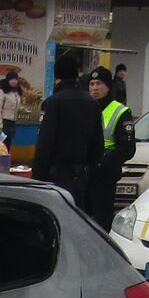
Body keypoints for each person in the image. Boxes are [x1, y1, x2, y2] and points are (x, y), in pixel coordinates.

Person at [30, 54, 100, 215]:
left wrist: (37, 178)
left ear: (57, 77)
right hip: (82, 175)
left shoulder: (54, 102)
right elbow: (97, 144)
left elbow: (45, 143)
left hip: (56, 175)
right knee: (77, 218)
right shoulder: (93, 104)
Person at [85, 65, 136, 231]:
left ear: (108, 86)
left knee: (101, 223)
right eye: (91, 84)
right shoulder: (84, 107)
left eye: (98, 83)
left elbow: (128, 147)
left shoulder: (120, 111)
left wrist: (103, 161)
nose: (94, 88)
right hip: (84, 174)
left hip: (104, 175)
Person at [0, 72, 23, 149]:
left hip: (12, 122)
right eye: (12, 79)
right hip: (3, 122)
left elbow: (15, 106)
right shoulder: (1, 92)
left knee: (7, 146)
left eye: (16, 79)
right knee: (0, 147)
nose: (14, 81)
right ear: (8, 80)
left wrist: (24, 110)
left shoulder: (16, 92)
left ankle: (5, 160)